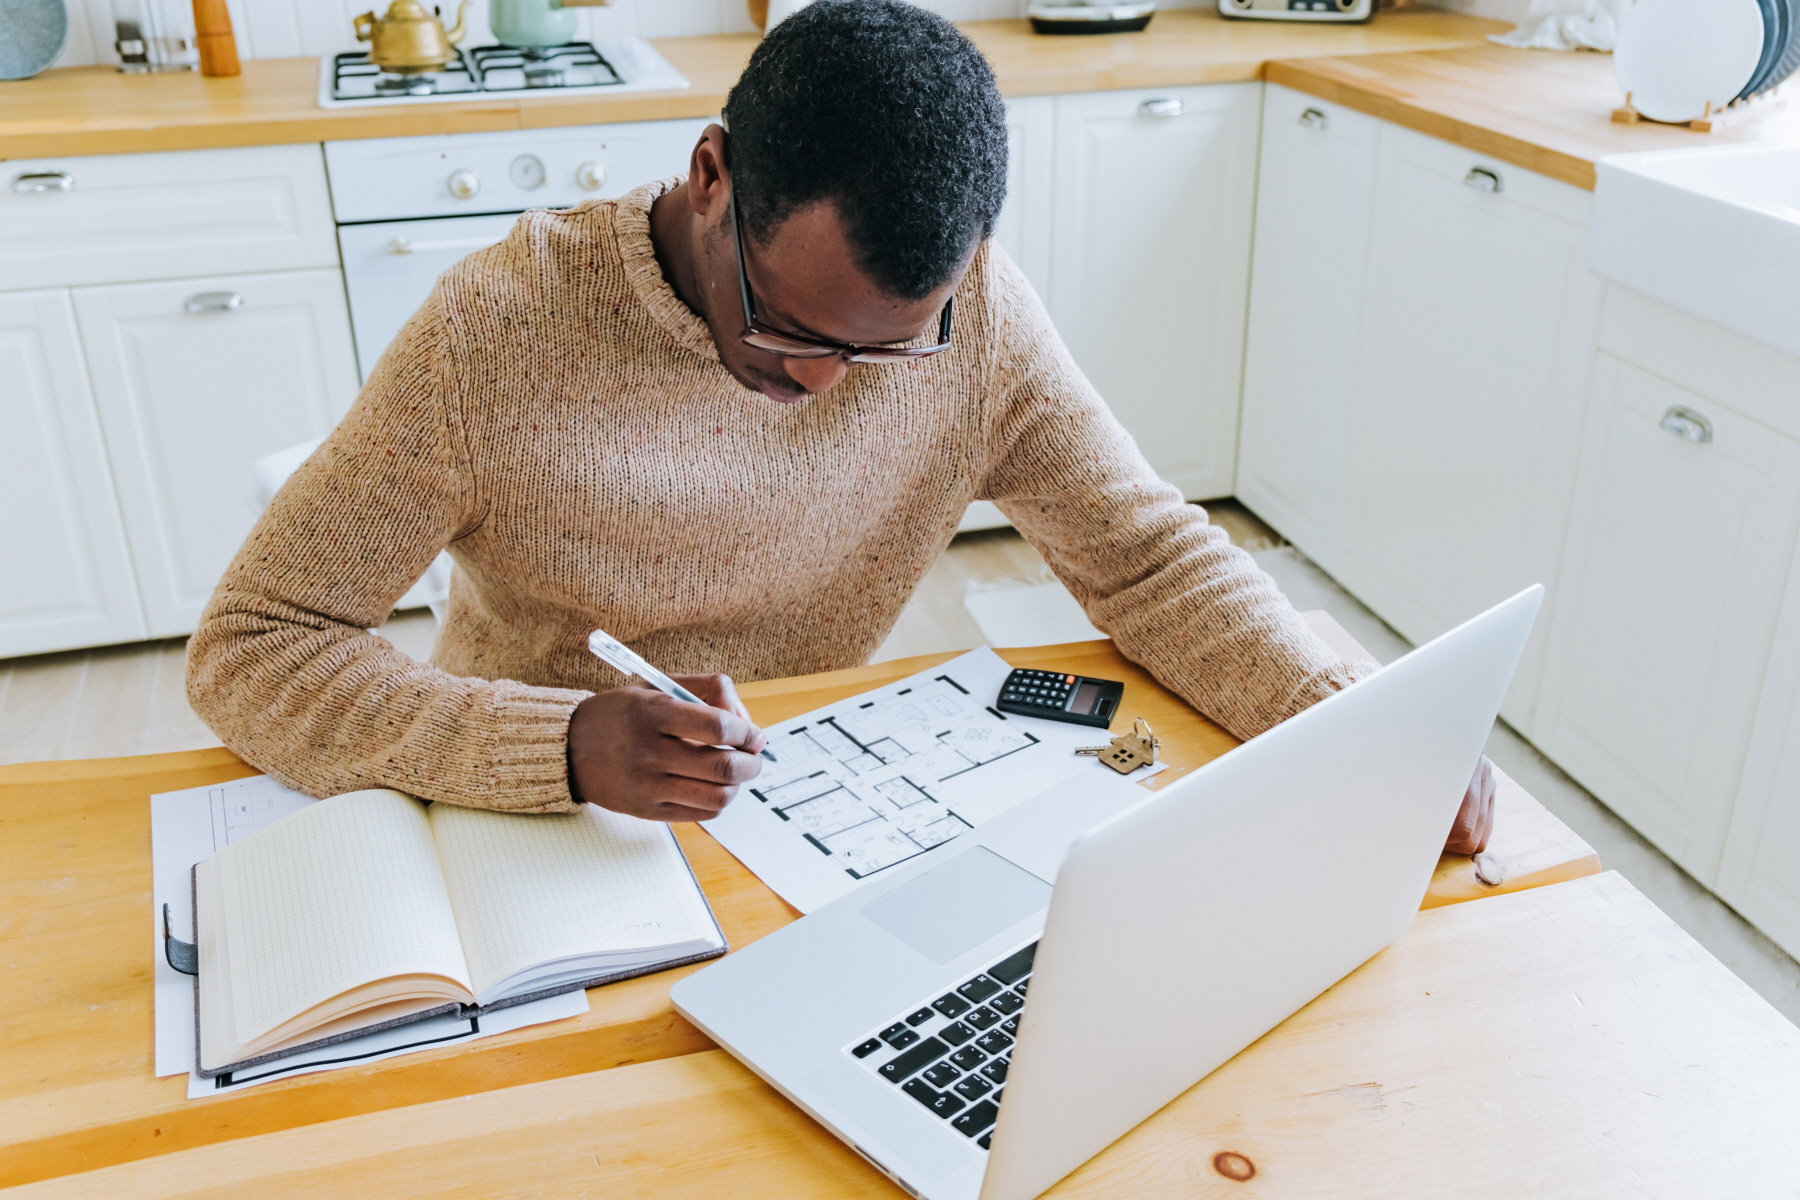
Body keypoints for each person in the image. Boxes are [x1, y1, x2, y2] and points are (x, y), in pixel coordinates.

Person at [187, 0, 1493, 852]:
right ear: (712, 178)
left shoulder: (971, 313)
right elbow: (252, 648)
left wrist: (1356, 723)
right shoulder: (498, 337)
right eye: (792, 330)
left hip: (813, 801)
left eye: (883, 348)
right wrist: (563, 746)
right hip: (531, 822)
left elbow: (1145, 555)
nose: (828, 387)